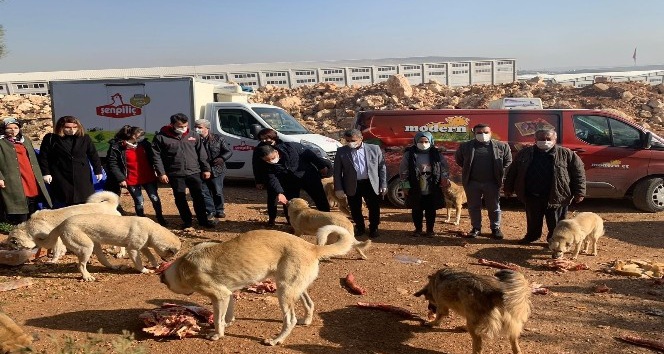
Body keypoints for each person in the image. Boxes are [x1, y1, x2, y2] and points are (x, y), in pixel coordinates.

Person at [504, 129, 586, 244]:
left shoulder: (567, 154)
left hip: (557, 195)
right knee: (533, 220)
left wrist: (580, 192)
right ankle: (532, 236)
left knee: (556, 222)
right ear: (535, 140)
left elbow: (579, 174)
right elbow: (513, 171)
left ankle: (554, 241)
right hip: (532, 194)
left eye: (548, 139)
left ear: (554, 140)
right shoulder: (525, 153)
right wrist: (508, 188)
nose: (545, 141)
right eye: (542, 139)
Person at [252, 128, 330, 226]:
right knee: (289, 203)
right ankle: (293, 224)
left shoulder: (292, 147)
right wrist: (279, 192)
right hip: (288, 181)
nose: (271, 161)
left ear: (276, 152)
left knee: (320, 198)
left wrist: (321, 166)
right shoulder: (264, 159)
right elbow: (272, 178)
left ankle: (327, 220)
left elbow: (310, 155)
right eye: (267, 160)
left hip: (307, 176)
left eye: (272, 158)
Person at [152, 113, 214, 229]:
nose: (183, 128)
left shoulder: (193, 135)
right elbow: (156, 157)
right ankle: (187, 221)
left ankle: (203, 220)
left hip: (194, 172)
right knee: (180, 198)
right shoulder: (161, 137)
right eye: (180, 126)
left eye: (185, 125)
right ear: (172, 125)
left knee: (199, 197)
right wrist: (161, 173)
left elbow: (202, 154)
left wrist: (206, 169)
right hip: (175, 173)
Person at [454, 123, 512, 239]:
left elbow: (508, 161)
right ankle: (476, 228)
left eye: (486, 132)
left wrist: (498, 171)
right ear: (474, 134)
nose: (483, 135)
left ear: (490, 133)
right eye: (479, 133)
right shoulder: (465, 146)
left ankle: (495, 228)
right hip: (472, 183)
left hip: (492, 182)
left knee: (494, 206)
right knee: (474, 206)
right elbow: (460, 160)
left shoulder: (501, 146)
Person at [106, 125, 166, 226]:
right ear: (131, 136)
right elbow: (112, 164)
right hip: (131, 179)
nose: (141, 137)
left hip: (148, 176)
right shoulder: (117, 147)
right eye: (139, 135)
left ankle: (160, 218)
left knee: (154, 198)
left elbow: (155, 158)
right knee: (139, 200)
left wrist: (160, 172)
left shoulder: (145, 144)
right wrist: (121, 178)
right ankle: (141, 221)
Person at [38, 116, 103, 207]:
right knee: (65, 199)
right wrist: (46, 173)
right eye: (68, 127)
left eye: (74, 127)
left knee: (84, 199)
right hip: (61, 174)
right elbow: (44, 157)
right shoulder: (51, 138)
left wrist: (98, 170)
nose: (72, 130)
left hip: (81, 174)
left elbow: (93, 155)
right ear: (61, 127)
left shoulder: (85, 138)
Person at [333, 129, 387, 238]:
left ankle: (374, 228)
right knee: (355, 207)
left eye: (353, 140)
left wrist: (383, 184)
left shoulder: (374, 149)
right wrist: (338, 188)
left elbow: (382, 168)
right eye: (347, 140)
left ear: (361, 138)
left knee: (374, 207)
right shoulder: (342, 151)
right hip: (352, 184)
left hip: (370, 183)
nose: (350, 143)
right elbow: (337, 171)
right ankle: (360, 227)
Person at [0, 117, 52, 224]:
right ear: (4, 129)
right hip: (12, 177)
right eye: (9, 128)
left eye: (15, 127)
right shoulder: (1, 142)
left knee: (32, 199)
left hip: (29, 174)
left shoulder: (25, 140)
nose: (13, 130)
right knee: (17, 202)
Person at [399, 132, 449, 237]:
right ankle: (418, 229)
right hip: (415, 185)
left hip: (432, 185)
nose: (423, 144)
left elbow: (444, 168)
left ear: (431, 142)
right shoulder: (409, 154)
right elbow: (403, 171)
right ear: (415, 142)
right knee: (417, 208)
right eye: (420, 142)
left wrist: (444, 179)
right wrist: (405, 186)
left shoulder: (436, 154)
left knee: (431, 209)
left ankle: (430, 230)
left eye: (426, 141)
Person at [194, 119, 233, 219]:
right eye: (195, 127)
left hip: (217, 169)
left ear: (207, 128)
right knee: (204, 192)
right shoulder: (193, 139)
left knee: (217, 191)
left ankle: (219, 210)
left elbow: (228, 151)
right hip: (201, 169)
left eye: (199, 127)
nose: (196, 129)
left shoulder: (218, 138)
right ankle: (210, 211)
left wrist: (222, 158)